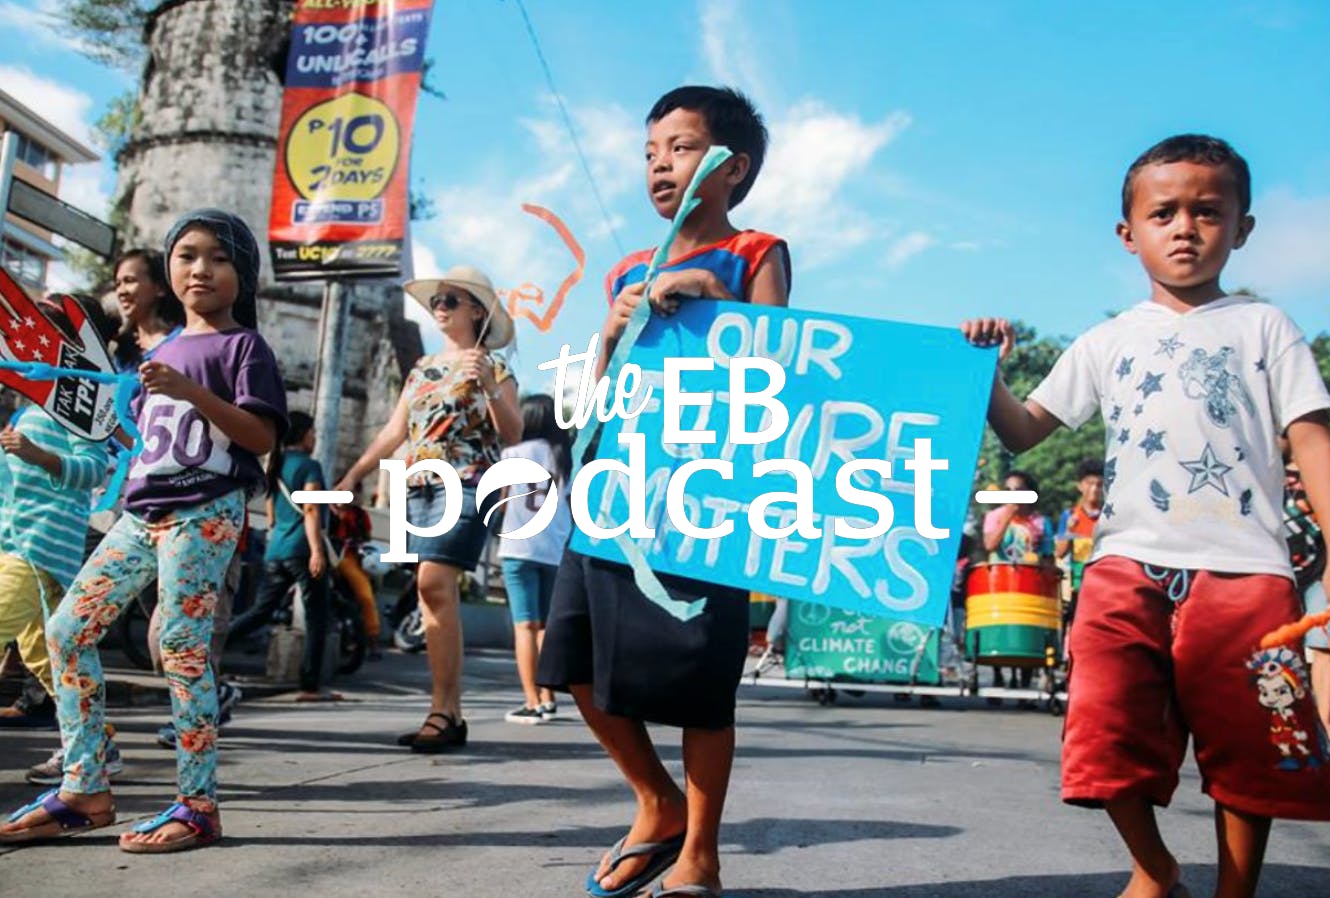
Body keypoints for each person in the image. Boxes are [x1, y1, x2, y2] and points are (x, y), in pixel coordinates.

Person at [963, 134, 1330, 898]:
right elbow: (1023, 430)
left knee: (1252, 744)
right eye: (1164, 213)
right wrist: (984, 375)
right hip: (1122, 565)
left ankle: (1235, 888)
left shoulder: (1266, 328)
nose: (1186, 227)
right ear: (1129, 234)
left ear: (1243, 227)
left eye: (1208, 210)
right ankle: (1154, 867)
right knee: (1102, 728)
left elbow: (1310, 438)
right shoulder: (1105, 341)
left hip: (1249, 575)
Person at [537, 85, 791, 898]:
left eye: (680, 148)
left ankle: (702, 855)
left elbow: (780, 370)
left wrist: (721, 306)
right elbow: (598, 398)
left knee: (699, 680)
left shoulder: (756, 251)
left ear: (732, 165)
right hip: (617, 489)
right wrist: (609, 333)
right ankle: (656, 800)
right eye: (650, 152)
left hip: (707, 494)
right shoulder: (625, 270)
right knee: (569, 660)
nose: (659, 165)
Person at [0, 209, 287, 853]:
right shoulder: (158, 351)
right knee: (68, 630)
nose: (200, 269)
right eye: (186, 256)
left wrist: (189, 390)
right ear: (170, 269)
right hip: (141, 514)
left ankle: (198, 804)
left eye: (217, 257)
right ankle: (85, 787)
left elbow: (260, 437)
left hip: (206, 511)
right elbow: (142, 441)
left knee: (184, 649)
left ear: (243, 272)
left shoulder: (244, 348)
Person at [335, 264, 520, 752]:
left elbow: (514, 433)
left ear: (476, 310)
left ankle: (442, 710)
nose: (440, 306)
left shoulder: (494, 367)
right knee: (434, 597)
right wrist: (354, 475)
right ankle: (449, 712)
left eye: (451, 300)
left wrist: (490, 388)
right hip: (417, 486)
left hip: (467, 482)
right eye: (436, 300)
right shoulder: (421, 369)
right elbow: (395, 431)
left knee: (432, 583)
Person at [109, 248, 243, 748]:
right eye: (117, 281)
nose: (123, 290)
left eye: (132, 280)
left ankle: (197, 744)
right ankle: (209, 698)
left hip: (197, 506)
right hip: (130, 504)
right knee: (158, 638)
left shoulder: (190, 347)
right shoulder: (119, 353)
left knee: (183, 634)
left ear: (159, 286)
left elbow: (250, 430)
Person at [0, 295, 120, 781]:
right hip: (17, 539)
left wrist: (38, 456)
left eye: (42, 333)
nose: (26, 342)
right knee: (45, 655)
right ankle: (99, 741)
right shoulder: (29, 402)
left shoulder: (80, 400)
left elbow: (94, 468)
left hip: (42, 545)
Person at [226, 411, 336, 702]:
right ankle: (310, 685)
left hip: (277, 549)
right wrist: (316, 551)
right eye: (312, 433)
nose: (315, 438)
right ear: (303, 435)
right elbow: (311, 509)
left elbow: (272, 514)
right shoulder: (310, 466)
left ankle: (214, 646)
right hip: (303, 549)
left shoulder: (275, 464)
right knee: (316, 618)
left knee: (259, 612)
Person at [498, 393, 572, 724]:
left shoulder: (512, 454)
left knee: (524, 625)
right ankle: (549, 696)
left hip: (517, 549)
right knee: (544, 625)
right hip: (553, 551)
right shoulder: (566, 459)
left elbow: (500, 502)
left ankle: (531, 700)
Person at [328, 498, 382, 661]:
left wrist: (357, 542)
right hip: (327, 555)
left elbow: (366, 538)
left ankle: (372, 640)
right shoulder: (327, 509)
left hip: (348, 558)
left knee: (366, 596)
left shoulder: (359, 515)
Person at [1055, 458, 1104, 605]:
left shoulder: (1108, 516)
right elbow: (1060, 552)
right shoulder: (1070, 515)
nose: (1094, 489)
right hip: (1078, 585)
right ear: (1080, 486)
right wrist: (1070, 530)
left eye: (1099, 485)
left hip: (1102, 583)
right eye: (1090, 483)